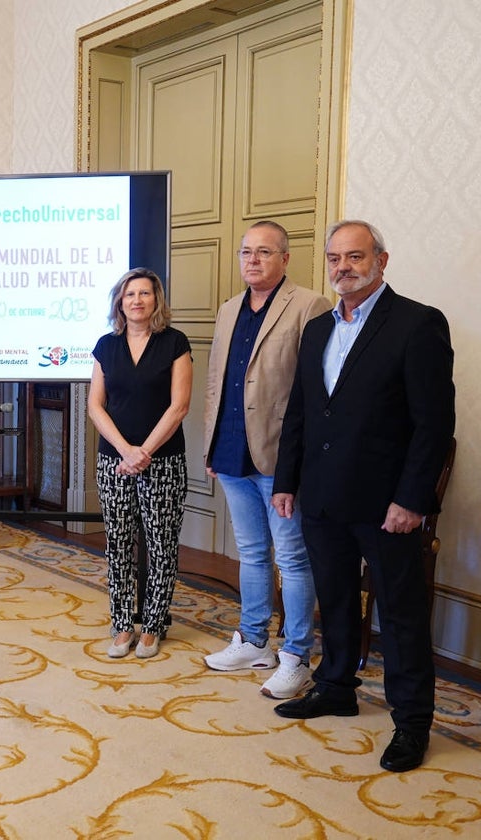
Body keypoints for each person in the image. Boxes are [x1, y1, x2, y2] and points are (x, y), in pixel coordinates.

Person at [271, 220, 455, 773]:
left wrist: (412, 500)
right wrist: (286, 480)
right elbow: (302, 411)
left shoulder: (418, 324)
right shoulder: (317, 329)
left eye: (355, 256)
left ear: (382, 259)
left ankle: (412, 721)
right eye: (334, 258)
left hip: (387, 504)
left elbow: (433, 425)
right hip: (323, 495)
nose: (342, 267)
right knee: (336, 596)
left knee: (399, 614)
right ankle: (335, 688)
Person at [201, 221, 331, 699]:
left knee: (293, 559)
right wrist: (212, 445)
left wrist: (300, 466)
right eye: (246, 253)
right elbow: (217, 380)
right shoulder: (229, 309)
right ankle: (254, 640)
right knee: (252, 554)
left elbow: (315, 392)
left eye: (263, 252)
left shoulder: (310, 305)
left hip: (282, 457)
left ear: (285, 258)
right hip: (233, 451)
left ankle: (296, 653)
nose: (252, 260)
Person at [87, 267, 192, 660]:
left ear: (156, 300)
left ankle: (152, 626)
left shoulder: (174, 343)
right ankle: (122, 624)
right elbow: (96, 406)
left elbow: (179, 405)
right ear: (120, 301)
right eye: (130, 294)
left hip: (162, 462)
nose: (137, 301)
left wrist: (143, 451)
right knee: (117, 544)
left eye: (145, 294)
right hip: (114, 463)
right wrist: (126, 452)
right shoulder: (105, 345)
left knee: (160, 545)